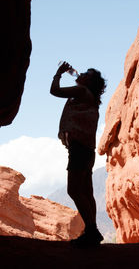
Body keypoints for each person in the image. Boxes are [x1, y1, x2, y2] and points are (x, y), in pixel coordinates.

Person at [50, 61, 106, 248]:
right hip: (87, 149)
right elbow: (79, 80)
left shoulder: (82, 92)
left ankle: (91, 229)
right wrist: (74, 74)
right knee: (87, 192)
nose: (81, 73)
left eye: (86, 74)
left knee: (73, 189)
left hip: (80, 148)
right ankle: (92, 230)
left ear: (89, 82)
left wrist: (58, 73)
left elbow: (55, 91)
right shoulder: (90, 96)